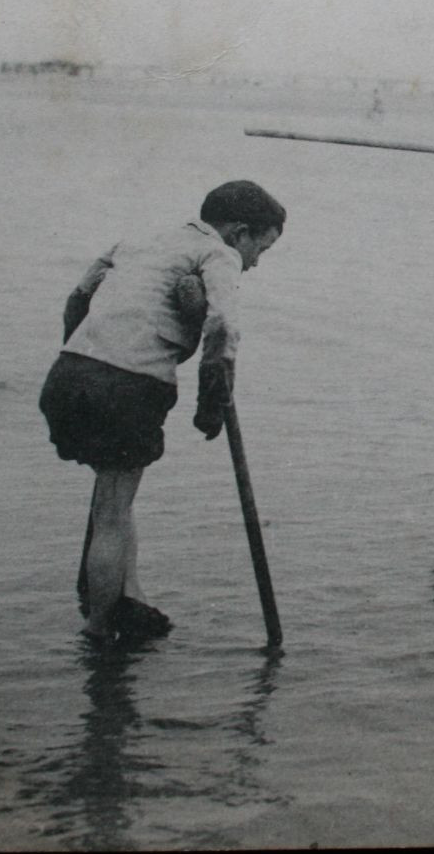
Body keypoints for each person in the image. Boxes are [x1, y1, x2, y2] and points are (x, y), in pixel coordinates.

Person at [40, 181, 286, 644]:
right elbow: (223, 326)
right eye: (261, 249)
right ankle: (98, 634)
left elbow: (78, 299)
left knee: (113, 496)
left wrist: (81, 356)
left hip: (68, 375)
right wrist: (210, 403)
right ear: (238, 233)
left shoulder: (139, 242)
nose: (255, 263)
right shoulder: (220, 255)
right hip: (127, 387)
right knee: (113, 510)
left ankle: (126, 598)